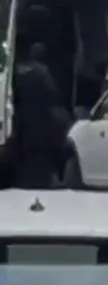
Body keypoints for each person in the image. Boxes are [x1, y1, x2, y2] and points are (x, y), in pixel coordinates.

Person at [9, 43, 68, 189]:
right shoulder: (42, 71)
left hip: (21, 117)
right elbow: (52, 93)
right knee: (40, 154)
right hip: (40, 117)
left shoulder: (17, 71)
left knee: (24, 153)